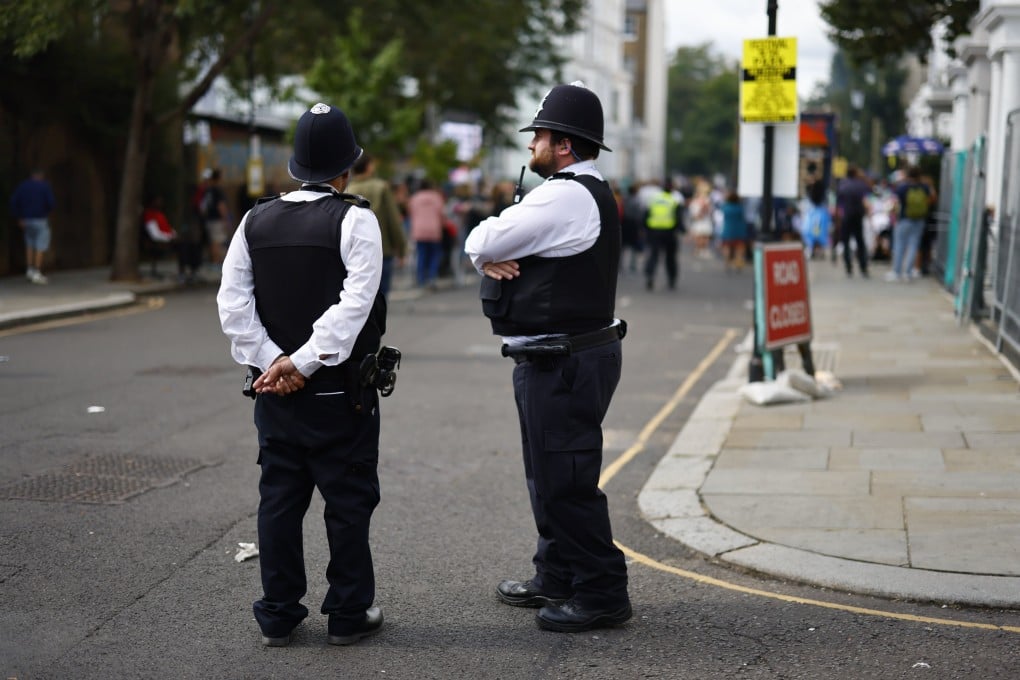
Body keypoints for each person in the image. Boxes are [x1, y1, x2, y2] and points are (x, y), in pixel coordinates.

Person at [216, 102, 387, 648]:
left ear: (294, 166)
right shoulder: (356, 219)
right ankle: (347, 614)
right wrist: (303, 362)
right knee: (348, 502)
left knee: (280, 502)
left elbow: (232, 305)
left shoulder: (254, 219)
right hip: (341, 394)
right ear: (347, 169)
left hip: (274, 394)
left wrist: (273, 362)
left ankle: (278, 613)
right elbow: (353, 306)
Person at [464, 81, 631, 634]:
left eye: (537, 133)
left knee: (565, 478)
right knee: (548, 472)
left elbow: (482, 240)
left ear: (562, 144)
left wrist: (488, 256)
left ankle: (602, 592)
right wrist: (491, 257)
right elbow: (492, 250)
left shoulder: (563, 193)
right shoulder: (587, 189)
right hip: (567, 355)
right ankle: (556, 575)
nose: (530, 143)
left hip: (566, 361)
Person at [347, 153, 408, 297]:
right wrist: (401, 249)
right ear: (368, 167)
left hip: (353, 252)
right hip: (382, 249)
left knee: (357, 297)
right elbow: (393, 220)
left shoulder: (347, 190)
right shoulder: (381, 187)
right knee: (380, 298)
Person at [10, 168, 56, 284]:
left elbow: (14, 201)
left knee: (30, 244)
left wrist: (19, 217)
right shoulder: (44, 186)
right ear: (41, 176)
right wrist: (47, 212)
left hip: (26, 220)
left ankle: (29, 270)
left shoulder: (23, 186)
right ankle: (37, 271)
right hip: (40, 219)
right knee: (40, 245)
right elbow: (51, 203)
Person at [888, 166, 933, 282]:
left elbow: (896, 201)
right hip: (919, 219)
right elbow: (931, 199)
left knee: (900, 245)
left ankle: (896, 272)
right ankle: (908, 272)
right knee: (913, 245)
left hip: (904, 218)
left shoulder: (903, 187)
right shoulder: (924, 187)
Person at [643, 179, 684, 290]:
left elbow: (646, 215)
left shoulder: (654, 199)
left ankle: (650, 276)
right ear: (671, 188)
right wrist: (682, 230)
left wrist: (645, 229)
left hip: (654, 231)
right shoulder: (674, 200)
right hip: (669, 232)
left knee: (653, 256)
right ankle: (672, 279)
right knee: (670, 258)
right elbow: (678, 218)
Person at [406, 179, 445, 289]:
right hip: (434, 229)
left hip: (419, 230)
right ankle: (432, 278)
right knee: (434, 255)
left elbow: (410, 213)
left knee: (421, 255)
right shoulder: (436, 197)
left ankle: (421, 279)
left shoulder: (414, 198)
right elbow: (442, 213)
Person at [835, 166, 872, 278]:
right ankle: (863, 267)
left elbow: (838, 202)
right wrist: (863, 176)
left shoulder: (843, 184)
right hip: (858, 216)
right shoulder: (860, 184)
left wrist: (837, 218)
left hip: (846, 216)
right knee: (860, 241)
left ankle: (848, 267)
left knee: (845, 242)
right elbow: (870, 190)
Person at [202, 168, 229, 265]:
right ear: (218, 178)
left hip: (209, 219)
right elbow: (220, 206)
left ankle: (214, 260)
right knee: (217, 241)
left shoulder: (208, 190)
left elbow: (204, 207)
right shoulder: (218, 190)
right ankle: (216, 262)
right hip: (217, 219)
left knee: (213, 241)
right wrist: (225, 219)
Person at [719, 191, 749, 271]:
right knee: (739, 248)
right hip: (739, 230)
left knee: (727, 247)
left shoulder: (726, 207)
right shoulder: (740, 208)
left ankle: (727, 263)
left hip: (728, 230)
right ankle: (738, 263)